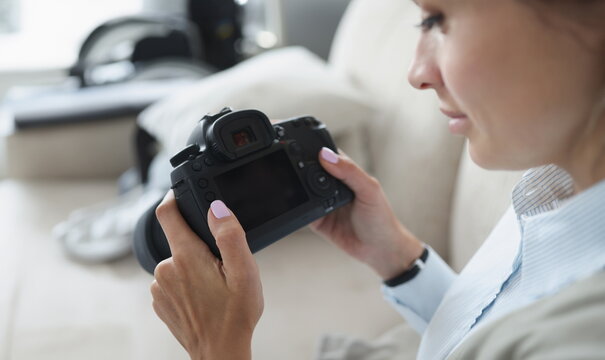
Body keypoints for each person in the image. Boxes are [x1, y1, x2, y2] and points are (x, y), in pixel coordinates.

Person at [149, 0, 605, 359]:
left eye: (439, 20)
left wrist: (218, 347)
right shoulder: (553, 183)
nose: (417, 74)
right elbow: (487, 339)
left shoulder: (582, 336)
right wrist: (402, 259)